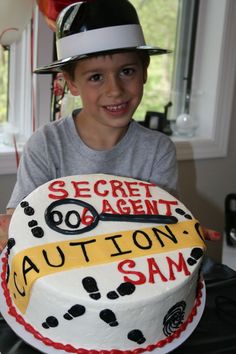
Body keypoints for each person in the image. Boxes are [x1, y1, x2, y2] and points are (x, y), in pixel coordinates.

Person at [0, 0, 220, 253]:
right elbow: (20, 222)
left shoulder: (158, 150)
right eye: (96, 77)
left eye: (127, 71)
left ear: (145, 71)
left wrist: (177, 229)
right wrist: (9, 227)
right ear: (71, 82)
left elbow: (161, 225)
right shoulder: (46, 145)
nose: (115, 90)